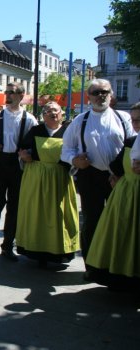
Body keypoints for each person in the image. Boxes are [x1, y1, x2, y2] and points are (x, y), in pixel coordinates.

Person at [61, 79, 134, 264]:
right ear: (89, 97)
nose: (101, 95)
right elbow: (66, 149)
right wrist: (74, 160)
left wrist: (124, 173)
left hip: (118, 177)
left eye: (105, 92)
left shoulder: (123, 118)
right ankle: (91, 264)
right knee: (92, 221)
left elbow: (133, 146)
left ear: (111, 95)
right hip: (90, 176)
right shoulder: (80, 120)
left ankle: (116, 263)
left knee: (120, 221)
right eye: (96, 92)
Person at [0, 82, 38, 261]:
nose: (8, 95)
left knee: (15, 205)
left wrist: (28, 153)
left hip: (18, 164)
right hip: (0, 161)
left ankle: (7, 245)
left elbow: (35, 144)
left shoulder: (30, 119)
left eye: (11, 92)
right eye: (6, 92)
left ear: (21, 95)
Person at [15, 102, 79, 267]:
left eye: (55, 110)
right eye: (48, 111)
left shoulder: (69, 131)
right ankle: (37, 251)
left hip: (59, 178)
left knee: (59, 214)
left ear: (62, 114)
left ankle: (59, 251)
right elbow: (23, 149)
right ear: (43, 116)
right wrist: (25, 156)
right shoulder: (36, 131)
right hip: (36, 179)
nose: (52, 113)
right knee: (37, 213)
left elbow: (74, 152)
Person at [84, 102, 140, 290]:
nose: (135, 124)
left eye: (139, 120)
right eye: (133, 120)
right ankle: (121, 275)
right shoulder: (131, 141)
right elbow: (117, 164)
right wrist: (116, 175)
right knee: (123, 234)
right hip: (126, 196)